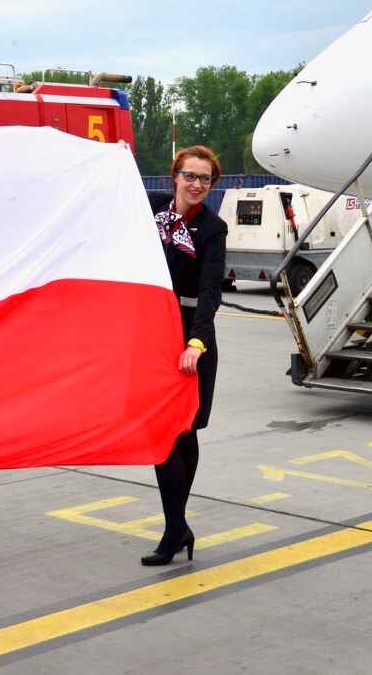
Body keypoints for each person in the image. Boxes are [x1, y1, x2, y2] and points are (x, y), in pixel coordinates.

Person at [142, 146, 228, 566]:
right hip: (151, 337)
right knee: (162, 431)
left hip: (190, 340)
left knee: (182, 431)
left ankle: (175, 526)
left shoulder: (213, 228)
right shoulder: (152, 207)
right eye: (189, 176)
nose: (196, 185)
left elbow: (210, 291)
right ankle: (177, 527)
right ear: (173, 176)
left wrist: (196, 343)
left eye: (205, 179)